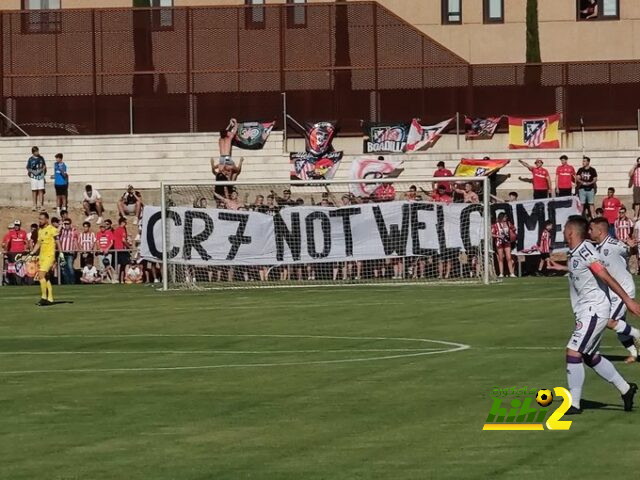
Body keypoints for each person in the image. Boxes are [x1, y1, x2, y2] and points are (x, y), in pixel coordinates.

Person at [547, 216, 640, 414]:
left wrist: (627, 300)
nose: (563, 232)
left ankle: (574, 403)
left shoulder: (585, 250)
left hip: (594, 310)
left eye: (564, 229)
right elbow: (583, 272)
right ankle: (626, 389)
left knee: (573, 352)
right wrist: (562, 268)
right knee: (590, 356)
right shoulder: (576, 253)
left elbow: (604, 275)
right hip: (585, 311)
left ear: (570, 232)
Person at [589, 217, 640, 364]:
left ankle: (637, 334)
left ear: (600, 231)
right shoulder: (597, 248)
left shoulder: (613, 244)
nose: (589, 232)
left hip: (623, 289)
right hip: (612, 292)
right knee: (620, 328)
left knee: (609, 320)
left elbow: (629, 250)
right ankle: (634, 353)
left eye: (591, 229)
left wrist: (632, 247)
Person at [28, 212, 62, 306]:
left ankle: (43, 297)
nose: (40, 220)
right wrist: (32, 252)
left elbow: (58, 241)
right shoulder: (40, 230)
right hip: (42, 256)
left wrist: (61, 253)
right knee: (46, 278)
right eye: (39, 219)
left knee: (41, 275)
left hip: (49, 256)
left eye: (42, 219)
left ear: (47, 220)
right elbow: (38, 243)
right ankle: (50, 299)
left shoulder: (52, 229)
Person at [491, 213, 516, 278]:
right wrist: (498, 236)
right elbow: (491, 234)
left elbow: (514, 229)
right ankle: (501, 273)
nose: (506, 218)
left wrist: (512, 232)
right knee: (500, 258)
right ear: (501, 217)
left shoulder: (508, 223)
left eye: (506, 217)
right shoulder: (495, 225)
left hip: (507, 242)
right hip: (499, 242)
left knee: (509, 257)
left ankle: (511, 273)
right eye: (504, 217)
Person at [58, 217, 78, 284]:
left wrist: (76, 250)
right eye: (65, 224)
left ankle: (72, 282)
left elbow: (75, 241)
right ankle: (66, 282)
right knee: (63, 269)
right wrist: (61, 225)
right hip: (62, 253)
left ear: (70, 224)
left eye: (68, 224)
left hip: (70, 253)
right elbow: (57, 232)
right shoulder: (61, 231)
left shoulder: (73, 231)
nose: (66, 225)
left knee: (70, 267)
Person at [26, 146, 46, 211]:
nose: (37, 152)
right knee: (34, 191)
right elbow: (28, 167)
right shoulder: (30, 159)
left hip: (40, 177)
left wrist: (42, 171)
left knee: (41, 190)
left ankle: (41, 205)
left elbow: (44, 166)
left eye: (38, 151)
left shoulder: (41, 158)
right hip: (33, 177)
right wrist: (33, 172)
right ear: (33, 152)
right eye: (36, 151)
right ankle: (34, 205)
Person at [112, 217, 131, 283]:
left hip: (116, 249)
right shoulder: (122, 229)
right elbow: (123, 240)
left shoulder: (116, 230)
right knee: (126, 264)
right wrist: (129, 247)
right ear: (122, 222)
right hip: (122, 249)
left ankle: (118, 279)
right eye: (125, 223)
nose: (126, 224)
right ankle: (126, 278)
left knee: (119, 264)